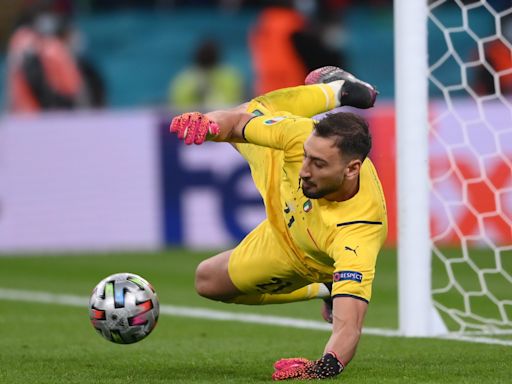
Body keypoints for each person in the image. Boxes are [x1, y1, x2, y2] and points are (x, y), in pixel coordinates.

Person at [169, 66, 387, 380]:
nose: (305, 170)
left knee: (208, 280)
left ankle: (325, 286)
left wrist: (322, 367)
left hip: (302, 256)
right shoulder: (299, 139)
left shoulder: (359, 232)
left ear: (352, 169)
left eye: (319, 163)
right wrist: (207, 124)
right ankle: (339, 92)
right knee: (253, 110)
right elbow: (235, 123)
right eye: (308, 156)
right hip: (275, 165)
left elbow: (349, 327)